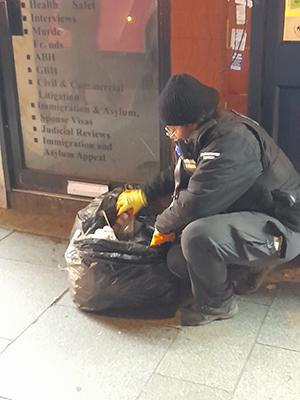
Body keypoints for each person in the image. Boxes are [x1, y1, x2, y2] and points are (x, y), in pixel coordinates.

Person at [116, 73, 300, 326]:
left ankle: (217, 305)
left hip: (282, 227)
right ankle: (247, 273)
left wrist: (161, 225)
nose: (171, 134)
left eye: (171, 128)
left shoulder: (233, 142)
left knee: (196, 235)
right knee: (179, 261)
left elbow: (197, 204)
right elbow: (181, 169)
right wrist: (144, 194)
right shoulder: (203, 134)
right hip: (252, 218)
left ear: (189, 122)